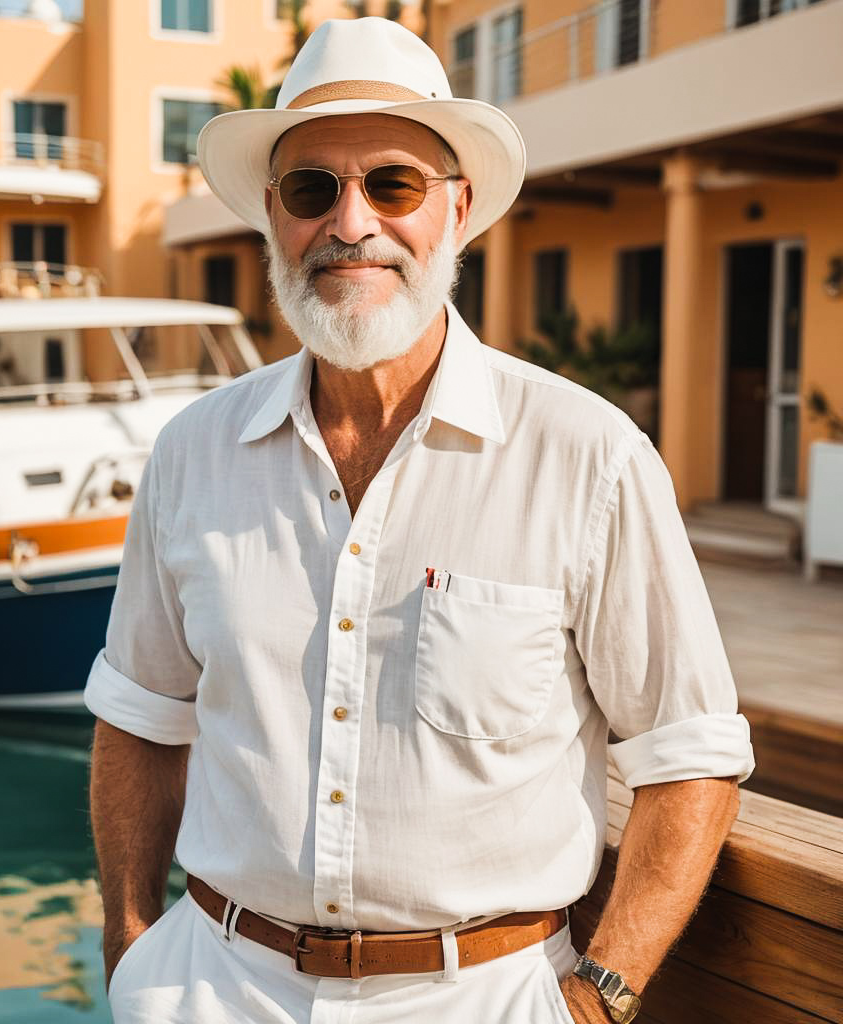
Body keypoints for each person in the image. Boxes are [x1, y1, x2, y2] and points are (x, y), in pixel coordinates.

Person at [86, 17, 754, 1024]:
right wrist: (130, 951)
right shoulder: (191, 453)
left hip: (487, 999)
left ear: (458, 209)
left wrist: (598, 995)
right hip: (213, 991)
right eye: (312, 188)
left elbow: (690, 754)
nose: (350, 222)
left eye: (392, 184)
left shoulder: (587, 455)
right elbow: (139, 717)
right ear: (274, 216)